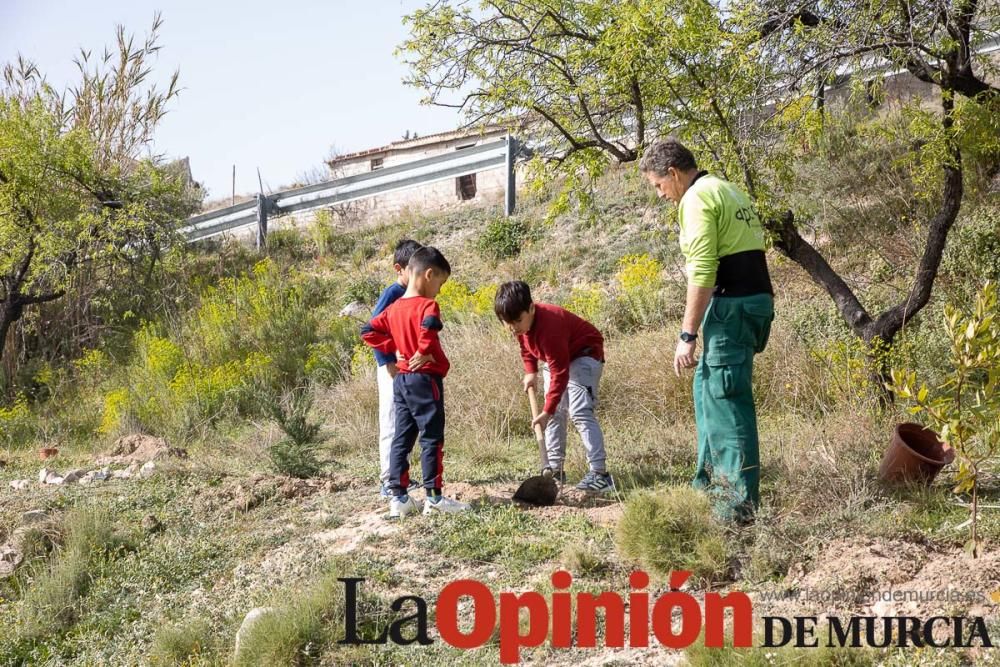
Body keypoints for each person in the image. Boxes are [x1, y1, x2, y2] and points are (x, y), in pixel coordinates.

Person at [639, 138, 774, 524]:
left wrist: (687, 335)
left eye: (659, 186)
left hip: (732, 307)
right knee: (706, 390)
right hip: (753, 302)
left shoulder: (696, 199)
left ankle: (737, 507)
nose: (661, 195)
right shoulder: (728, 189)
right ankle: (708, 486)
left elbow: (702, 271)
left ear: (674, 173)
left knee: (727, 404)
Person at [361, 246, 471, 518]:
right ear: (429, 274)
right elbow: (429, 326)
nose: (440, 290)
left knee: (402, 436)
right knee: (432, 437)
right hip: (425, 380)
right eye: (440, 283)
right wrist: (422, 351)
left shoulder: (395, 307)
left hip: (402, 380)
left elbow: (367, 331)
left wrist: (393, 347)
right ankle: (434, 498)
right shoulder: (428, 305)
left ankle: (399, 499)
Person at [493, 280, 614, 493]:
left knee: (579, 411)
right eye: (507, 323)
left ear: (531, 308)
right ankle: (554, 472)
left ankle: (600, 474)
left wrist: (546, 411)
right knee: (556, 412)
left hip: (585, 354)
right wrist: (531, 371)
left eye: (517, 321)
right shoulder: (521, 325)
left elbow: (560, 373)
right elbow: (526, 346)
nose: (513, 328)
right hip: (558, 359)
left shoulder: (550, 327)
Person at [371, 239, 423, 498]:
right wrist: (387, 360)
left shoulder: (417, 294)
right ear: (399, 269)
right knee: (391, 420)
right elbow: (372, 328)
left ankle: (400, 474)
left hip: (407, 368)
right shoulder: (393, 293)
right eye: (411, 268)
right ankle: (387, 481)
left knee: (406, 422)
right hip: (391, 368)